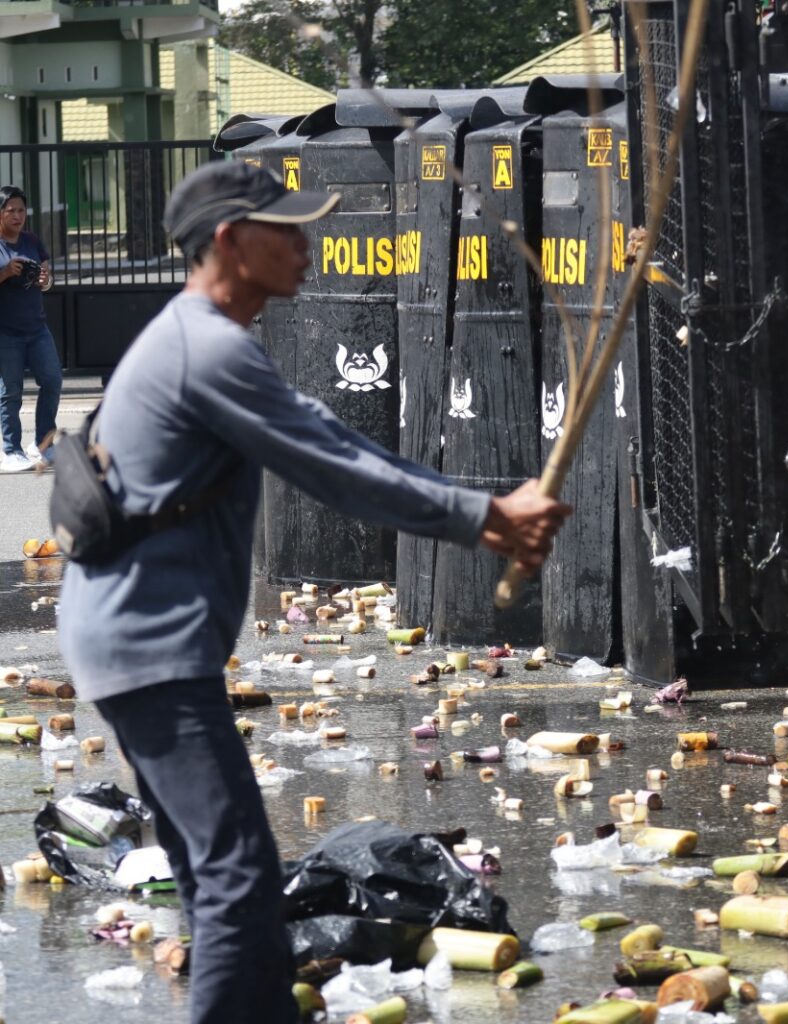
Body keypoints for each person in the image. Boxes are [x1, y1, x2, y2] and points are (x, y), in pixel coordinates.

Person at [57, 160, 570, 1024]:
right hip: (149, 645)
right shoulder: (208, 349)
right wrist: (485, 516)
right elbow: (334, 467)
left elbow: (332, 442)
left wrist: (479, 511)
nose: (307, 247)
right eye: (287, 231)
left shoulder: (200, 338)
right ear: (231, 241)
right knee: (237, 880)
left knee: (218, 876)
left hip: (133, 636)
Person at [0, 185, 61, 473]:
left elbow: (47, 278)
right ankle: (11, 450)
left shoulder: (32, 241)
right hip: (6, 331)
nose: (17, 215)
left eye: (21, 210)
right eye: (10, 210)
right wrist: (5, 272)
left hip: (37, 328)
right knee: (11, 392)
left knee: (52, 380)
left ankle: (43, 444)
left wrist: (45, 280)